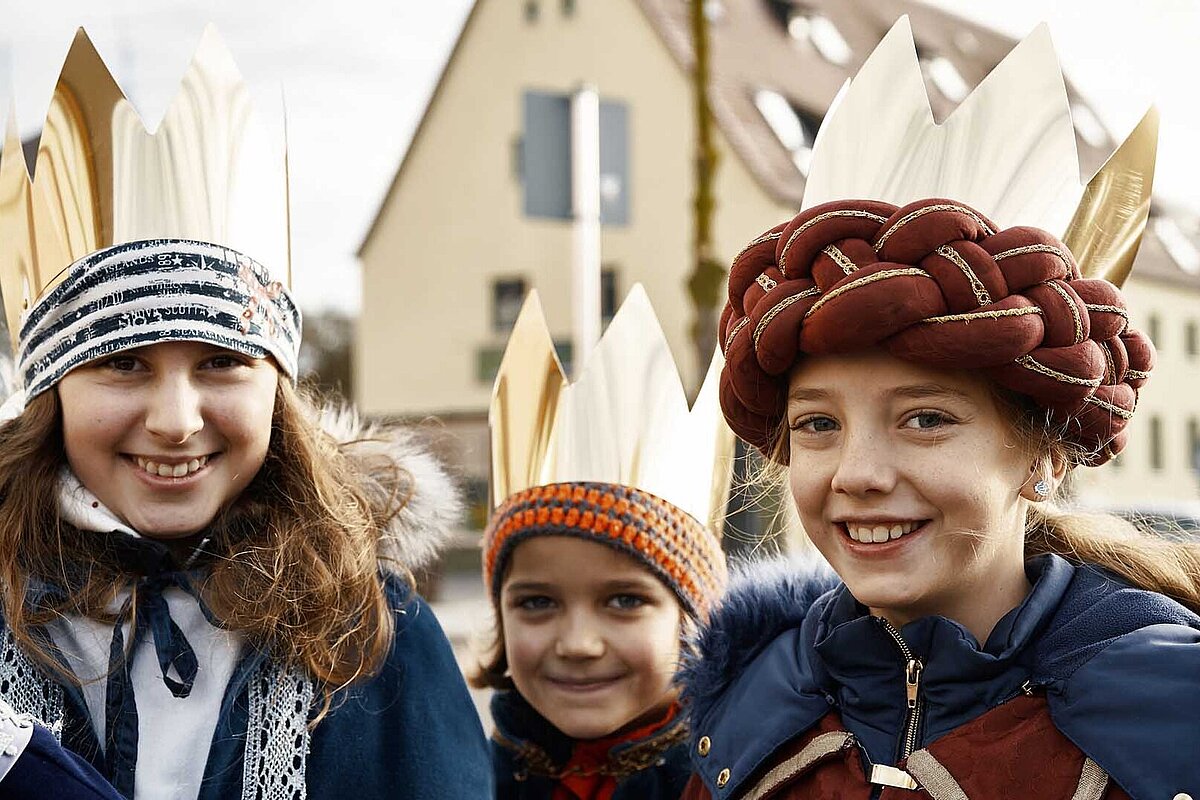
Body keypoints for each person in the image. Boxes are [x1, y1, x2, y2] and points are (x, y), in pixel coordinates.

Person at [681, 20, 1199, 800]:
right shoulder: (748, 719)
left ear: (1045, 456)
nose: (857, 473)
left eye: (925, 419)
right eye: (820, 423)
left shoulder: (1170, 729)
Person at [0, 29, 491, 799]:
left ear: (277, 388)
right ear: (51, 392)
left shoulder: (376, 634)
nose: (174, 419)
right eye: (122, 363)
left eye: (220, 363)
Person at [473, 289, 730, 799]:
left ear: (694, 620)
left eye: (625, 600)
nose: (578, 644)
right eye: (537, 602)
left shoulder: (744, 777)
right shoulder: (469, 775)